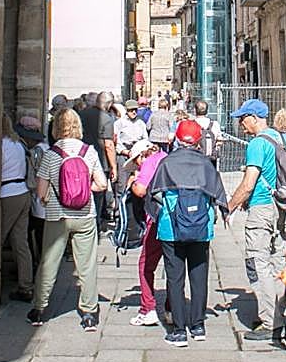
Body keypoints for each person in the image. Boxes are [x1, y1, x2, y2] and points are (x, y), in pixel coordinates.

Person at [146, 119, 228, 347]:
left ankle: (179, 330)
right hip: (201, 229)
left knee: (175, 278)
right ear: (199, 140)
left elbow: (154, 194)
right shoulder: (206, 165)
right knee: (199, 277)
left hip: (171, 229)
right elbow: (218, 196)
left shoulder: (167, 163)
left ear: (178, 139)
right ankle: (198, 326)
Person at [30, 108, 108, 332]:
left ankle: (39, 308)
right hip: (85, 214)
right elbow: (102, 184)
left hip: (58, 215)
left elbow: (41, 191)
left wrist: (58, 196)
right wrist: (82, 192)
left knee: (49, 262)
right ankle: (90, 312)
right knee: (87, 264)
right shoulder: (89, 152)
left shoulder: (52, 155)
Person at [225, 99, 286, 343]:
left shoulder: (257, 144)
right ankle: (277, 314)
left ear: (255, 117)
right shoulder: (280, 138)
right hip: (280, 206)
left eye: (243, 118)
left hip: (261, 208)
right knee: (277, 263)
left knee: (258, 263)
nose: (241, 123)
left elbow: (249, 183)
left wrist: (229, 206)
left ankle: (269, 322)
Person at [127, 139, 168, 327]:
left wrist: (134, 180)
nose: (137, 165)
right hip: (174, 218)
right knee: (173, 266)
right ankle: (171, 308)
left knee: (146, 265)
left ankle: (148, 308)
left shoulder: (149, 163)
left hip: (157, 218)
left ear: (142, 155)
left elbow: (141, 190)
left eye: (136, 161)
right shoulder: (164, 157)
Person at [0, 113, 34, 302]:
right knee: (21, 242)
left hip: (8, 193)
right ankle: (26, 285)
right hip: (23, 192)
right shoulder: (18, 144)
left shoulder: (2, 145)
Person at [16, 114, 49, 273]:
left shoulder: (36, 151)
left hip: (39, 200)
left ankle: (36, 268)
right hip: (45, 201)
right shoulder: (46, 148)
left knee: (35, 235)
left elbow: (37, 176)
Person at [80, 92, 117, 229]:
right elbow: (109, 145)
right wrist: (114, 166)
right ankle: (93, 225)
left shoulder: (82, 114)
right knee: (97, 196)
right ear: (109, 104)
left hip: (81, 158)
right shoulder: (106, 119)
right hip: (99, 161)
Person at [192, 101, 223, 167]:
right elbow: (220, 141)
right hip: (211, 158)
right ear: (207, 111)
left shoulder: (192, 124)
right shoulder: (214, 124)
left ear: (195, 110)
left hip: (196, 157)